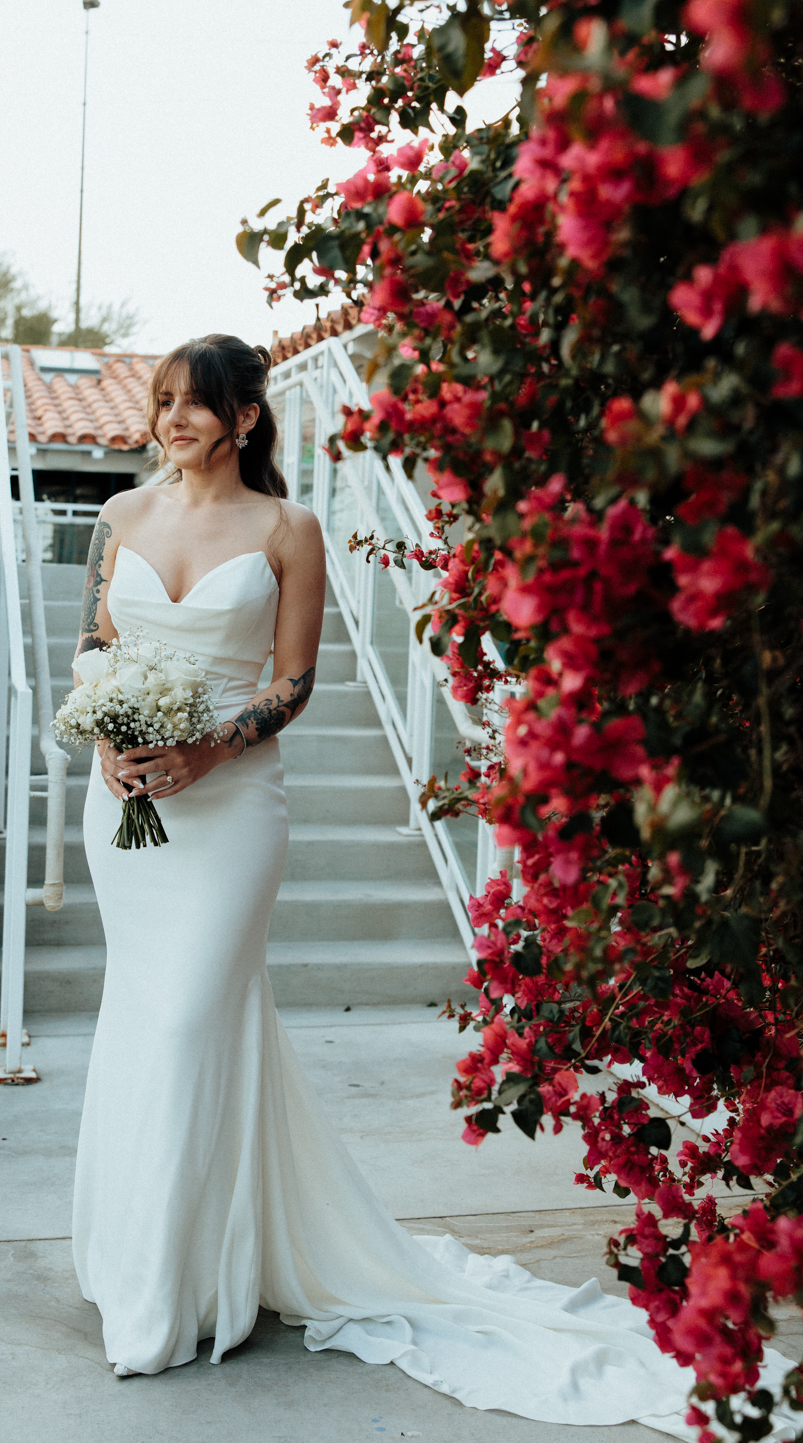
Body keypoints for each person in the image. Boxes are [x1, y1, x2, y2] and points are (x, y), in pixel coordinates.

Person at [70, 334, 792, 1438]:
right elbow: (92, 645)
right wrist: (111, 747)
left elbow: (294, 680)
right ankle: (148, 1260)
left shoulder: (285, 530)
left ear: (246, 418)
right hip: (128, 809)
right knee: (145, 1020)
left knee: (183, 1022)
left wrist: (209, 750)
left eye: (194, 404)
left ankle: (175, 1292)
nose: (172, 420)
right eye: (163, 402)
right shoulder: (117, 520)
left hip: (229, 811)